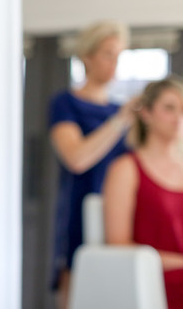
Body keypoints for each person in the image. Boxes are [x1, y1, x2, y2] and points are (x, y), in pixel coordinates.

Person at [48, 20, 138, 308]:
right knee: (75, 287)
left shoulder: (119, 111)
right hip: (78, 209)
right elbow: (76, 158)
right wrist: (120, 121)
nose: (114, 63)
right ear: (87, 56)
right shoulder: (65, 103)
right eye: (107, 54)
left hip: (118, 211)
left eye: (118, 55)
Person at [104, 77, 183, 309]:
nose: (179, 117)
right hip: (153, 280)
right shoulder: (126, 169)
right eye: (169, 108)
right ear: (146, 114)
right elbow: (118, 243)